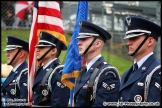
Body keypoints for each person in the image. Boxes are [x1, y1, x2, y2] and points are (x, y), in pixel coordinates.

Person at [74, 21, 121, 107]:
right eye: (79, 39)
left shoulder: (107, 73)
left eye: (84, 39)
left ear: (98, 43)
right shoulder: (84, 71)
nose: (79, 43)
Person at [119, 16, 161, 106]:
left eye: (134, 38)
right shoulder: (127, 73)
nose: (129, 42)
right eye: (129, 38)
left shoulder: (157, 72)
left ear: (150, 41)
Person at [32, 31, 70, 107]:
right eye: (37, 47)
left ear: (53, 50)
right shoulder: (42, 69)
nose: (37, 50)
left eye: (42, 47)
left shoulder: (58, 72)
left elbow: (59, 104)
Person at [1, 36, 29, 107]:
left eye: (10, 51)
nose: (7, 54)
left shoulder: (25, 73)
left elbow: (24, 103)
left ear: (21, 54)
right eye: (7, 51)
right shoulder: (15, 71)